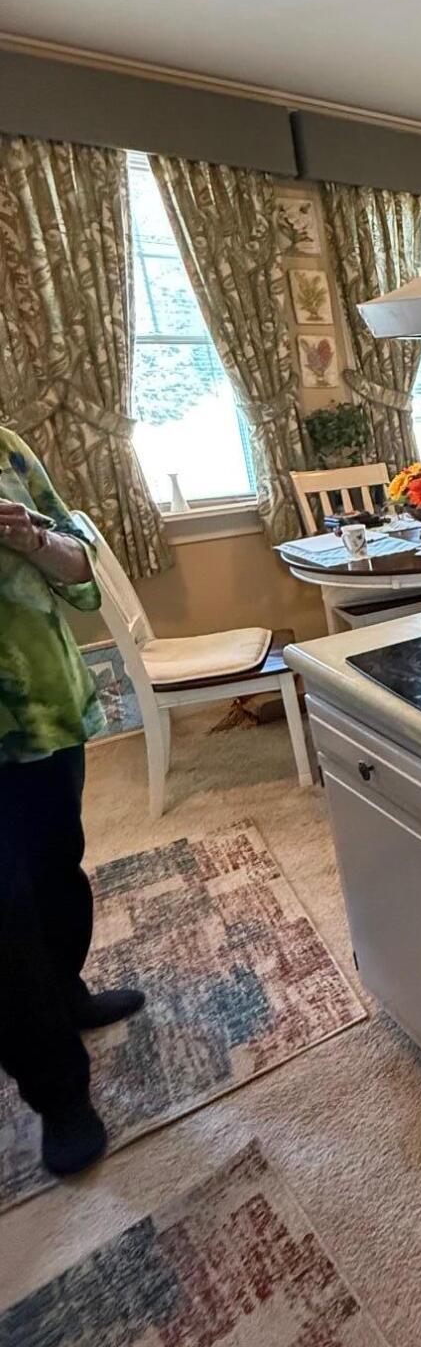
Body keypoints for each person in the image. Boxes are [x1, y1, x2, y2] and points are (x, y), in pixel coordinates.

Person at [0, 428, 144, 1175]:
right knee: (4, 917)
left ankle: (67, 993)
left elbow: (81, 571)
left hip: (48, 712)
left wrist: (32, 541)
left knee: (58, 868)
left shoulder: (10, 449)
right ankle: (58, 1094)